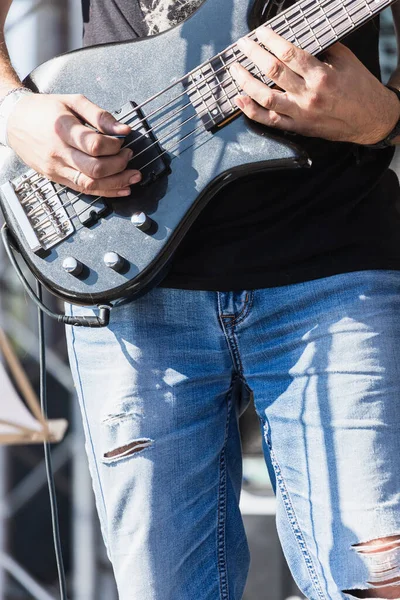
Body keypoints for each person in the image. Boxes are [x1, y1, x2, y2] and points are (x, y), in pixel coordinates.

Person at [1, 0, 400, 598]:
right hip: (126, 266)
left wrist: (383, 117)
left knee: (373, 582)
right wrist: (12, 111)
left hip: (334, 261)